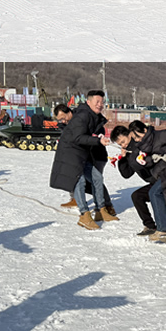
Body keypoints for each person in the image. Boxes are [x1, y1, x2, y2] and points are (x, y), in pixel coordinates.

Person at [111, 118, 166, 240]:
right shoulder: (130, 150)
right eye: (120, 144)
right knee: (137, 196)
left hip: (164, 176)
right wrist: (122, 159)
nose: (123, 145)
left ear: (130, 135)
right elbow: (126, 174)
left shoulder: (140, 145)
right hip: (154, 180)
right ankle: (150, 226)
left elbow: (145, 161)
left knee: (161, 197)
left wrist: (134, 158)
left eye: (123, 141)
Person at [49, 89, 115, 230]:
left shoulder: (91, 115)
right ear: (88, 102)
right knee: (79, 181)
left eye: (102, 102)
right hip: (70, 153)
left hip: (82, 153)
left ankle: (100, 210)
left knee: (97, 178)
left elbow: (87, 134)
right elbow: (78, 138)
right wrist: (98, 141)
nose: (100, 104)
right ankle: (84, 215)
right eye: (97, 102)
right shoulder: (83, 116)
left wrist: (98, 138)